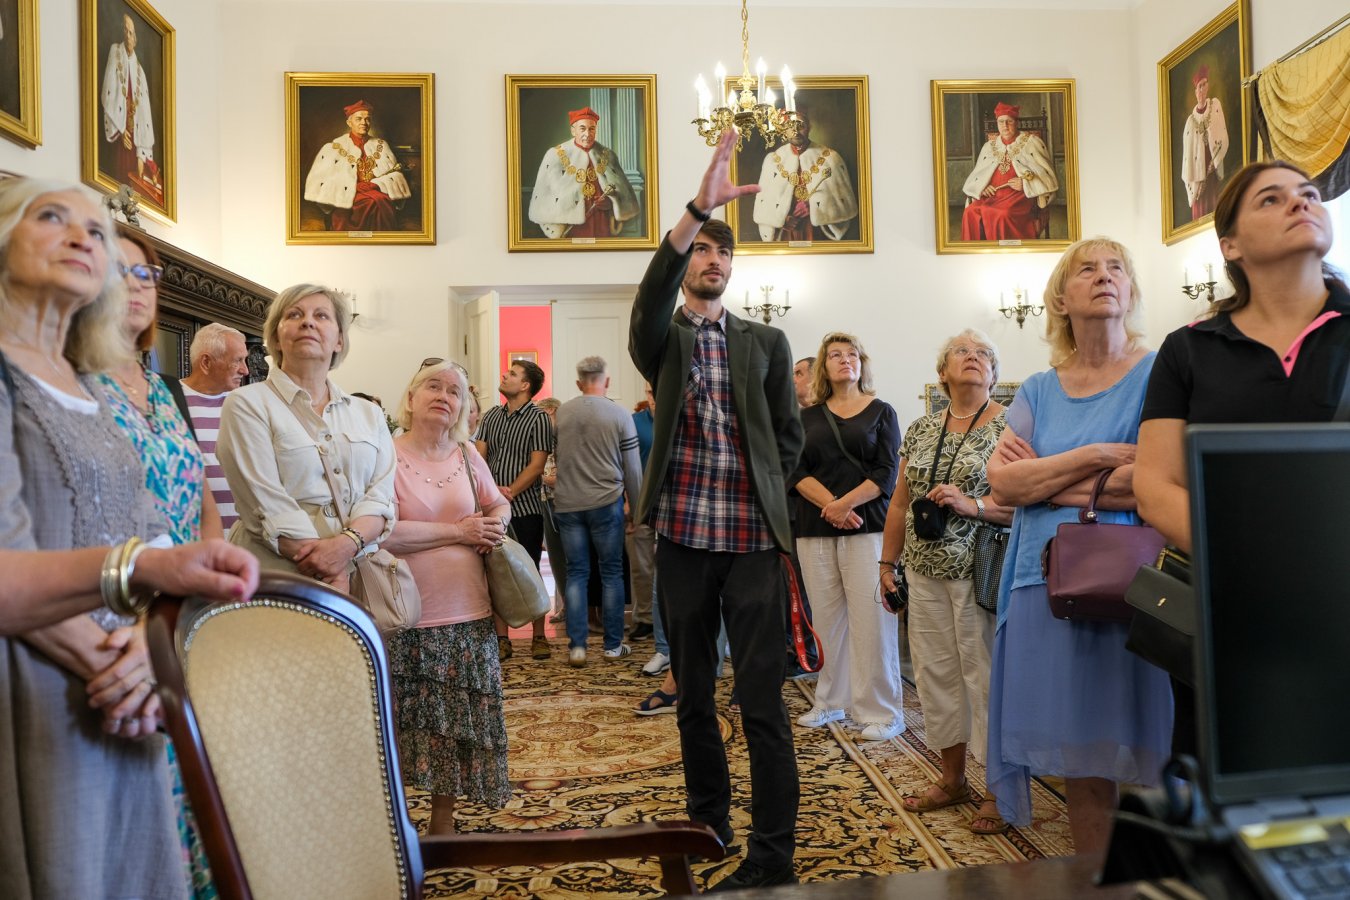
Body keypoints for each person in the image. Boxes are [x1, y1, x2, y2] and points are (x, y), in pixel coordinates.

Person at [0, 177, 258, 898]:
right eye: (52, 217)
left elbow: (150, 527)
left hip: (129, 682)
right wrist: (117, 665)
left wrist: (149, 652)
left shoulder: (82, 382)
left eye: (97, 230)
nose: (83, 237)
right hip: (38, 678)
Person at [628, 127, 803, 890]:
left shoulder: (765, 342)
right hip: (684, 543)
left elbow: (789, 438)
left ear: (732, 268)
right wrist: (698, 208)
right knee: (693, 697)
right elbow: (649, 296)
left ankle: (771, 854)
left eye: (722, 252)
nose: (712, 259)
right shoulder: (661, 341)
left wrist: (768, 495)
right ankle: (709, 822)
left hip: (753, 544)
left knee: (761, 702)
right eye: (701, 249)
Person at [1136, 160, 1347, 756]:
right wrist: (1250, 563)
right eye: (1271, 199)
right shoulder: (1189, 350)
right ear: (1230, 245)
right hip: (1228, 610)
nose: (1301, 203)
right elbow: (1156, 485)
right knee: (1228, 777)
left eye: (1309, 194)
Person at [984, 237, 1173, 856]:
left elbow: (1152, 481)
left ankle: (1160, 878)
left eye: (1116, 267)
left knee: (1150, 745)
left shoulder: (1159, 372)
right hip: (1043, 583)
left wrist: (1047, 482)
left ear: (1131, 290)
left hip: (1137, 583)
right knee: (1081, 755)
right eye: (1086, 269)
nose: (1104, 276)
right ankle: (1098, 882)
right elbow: (1003, 484)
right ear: (1061, 299)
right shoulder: (1039, 389)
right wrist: (1094, 457)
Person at [880, 329, 1014, 835]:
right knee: (936, 677)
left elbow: (1024, 504)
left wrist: (971, 504)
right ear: (943, 372)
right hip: (923, 571)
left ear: (994, 373)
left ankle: (999, 791)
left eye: (984, 354)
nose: (974, 357)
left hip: (981, 573)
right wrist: (886, 565)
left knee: (986, 679)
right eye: (963, 351)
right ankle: (953, 779)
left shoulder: (1011, 427)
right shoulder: (920, 428)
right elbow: (900, 502)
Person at [381, 360, 511, 835]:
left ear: (462, 407)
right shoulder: (386, 455)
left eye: (454, 391)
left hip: (469, 610)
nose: (443, 396)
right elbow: (382, 532)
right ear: (411, 398)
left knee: (455, 725)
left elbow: (498, 502)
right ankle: (396, 821)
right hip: (406, 613)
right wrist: (459, 532)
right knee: (402, 723)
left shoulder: (466, 454)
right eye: (432, 386)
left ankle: (442, 822)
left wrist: (495, 525)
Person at [216, 284, 396, 591]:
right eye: (294, 315)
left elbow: (381, 497)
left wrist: (345, 547)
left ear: (339, 340)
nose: (308, 322)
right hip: (277, 578)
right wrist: (327, 568)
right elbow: (264, 500)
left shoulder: (369, 413)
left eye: (321, 315)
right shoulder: (246, 404)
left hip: (360, 573)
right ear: (276, 338)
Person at [789, 332, 901, 741]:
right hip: (815, 527)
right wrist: (832, 506)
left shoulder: (881, 411)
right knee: (826, 618)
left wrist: (845, 505)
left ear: (861, 363)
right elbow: (795, 471)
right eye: (835, 354)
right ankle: (831, 700)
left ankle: (882, 712)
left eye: (852, 353)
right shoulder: (806, 418)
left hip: (866, 527)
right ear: (824, 366)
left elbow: (886, 472)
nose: (844, 359)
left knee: (871, 621)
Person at [553, 356, 643, 666]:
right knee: (611, 572)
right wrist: (637, 510)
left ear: (579, 383)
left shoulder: (562, 413)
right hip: (606, 501)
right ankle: (612, 646)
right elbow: (633, 469)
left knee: (576, 573)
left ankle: (577, 647)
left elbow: (559, 458)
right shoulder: (619, 414)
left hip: (567, 503)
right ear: (607, 381)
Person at [476, 359, 553, 659]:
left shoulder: (539, 418)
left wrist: (508, 492)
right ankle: (502, 638)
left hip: (526, 508)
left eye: (512, 374)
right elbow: (480, 458)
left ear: (525, 385)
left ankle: (539, 636)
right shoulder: (491, 416)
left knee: (530, 570)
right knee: (497, 572)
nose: (504, 375)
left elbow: (537, 465)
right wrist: (491, 493)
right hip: (492, 510)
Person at [178, 323, 251, 531]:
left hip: (245, 540)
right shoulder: (168, 400)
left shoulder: (246, 405)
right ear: (206, 362)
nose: (245, 370)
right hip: (194, 540)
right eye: (237, 360)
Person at [528, 106, 640, 239]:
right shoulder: (555, 155)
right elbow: (545, 196)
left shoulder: (608, 155)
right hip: (571, 225)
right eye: (582, 129)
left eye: (591, 129)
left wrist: (610, 203)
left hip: (602, 221)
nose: (587, 134)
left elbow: (622, 194)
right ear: (573, 130)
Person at [303, 100, 411, 232]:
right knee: (372, 202)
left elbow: (394, 174)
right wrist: (353, 186)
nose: (364, 123)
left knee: (380, 199)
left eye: (367, 119)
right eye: (359, 119)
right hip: (348, 194)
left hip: (375, 190)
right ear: (349, 123)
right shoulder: (333, 147)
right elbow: (321, 180)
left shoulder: (381, 145)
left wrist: (376, 184)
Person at [960, 102, 1058, 242]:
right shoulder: (989, 146)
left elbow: (1047, 175)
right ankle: (976, 251)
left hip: (1019, 197)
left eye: (1009, 121)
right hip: (992, 196)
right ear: (997, 123)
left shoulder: (1032, 142)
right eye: (1001, 122)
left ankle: (1005, 251)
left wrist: (1025, 184)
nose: (1005, 126)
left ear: (1016, 122)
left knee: (1003, 214)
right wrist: (983, 187)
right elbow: (978, 175)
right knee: (970, 212)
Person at [752, 114, 858, 243]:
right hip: (786, 234)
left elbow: (845, 204)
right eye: (790, 126)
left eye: (800, 125)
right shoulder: (772, 161)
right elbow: (764, 204)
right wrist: (781, 219)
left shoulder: (831, 158)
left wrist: (814, 206)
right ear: (783, 129)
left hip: (818, 233)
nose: (795, 131)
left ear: (809, 127)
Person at [99, 14, 160, 200]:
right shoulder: (115, 52)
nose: (127, 35)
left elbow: (144, 114)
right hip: (120, 129)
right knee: (118, 174)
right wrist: (120, 129)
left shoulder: (140, 71)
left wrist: (142, 153)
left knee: (133, 179)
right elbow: (109, 93)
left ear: (135, 38)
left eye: (131, 32)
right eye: (125, 30)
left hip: (135, 134)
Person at [626, 383, 657, 641]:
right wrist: (628, 502)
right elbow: (624, 464)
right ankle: (645, 618)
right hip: (642, 503)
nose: (653, 396)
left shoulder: (681, 418)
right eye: (649, 391)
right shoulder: (635, 422)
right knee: (641, 565)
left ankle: (670, 619)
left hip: (676, 504)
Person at [1179, 65, 1229, 222]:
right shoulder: (1190, 122)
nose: (1201, 89)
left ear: (1208, 86)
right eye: (1199, 86)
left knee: (1215, 204)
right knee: (1200, 212)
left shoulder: (1215, 106)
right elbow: (1188, 156)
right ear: (1195, 91)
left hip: (1212, 168)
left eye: (1204, 85)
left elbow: (1221, 133)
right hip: (1197, 176)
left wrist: (1215, 159)